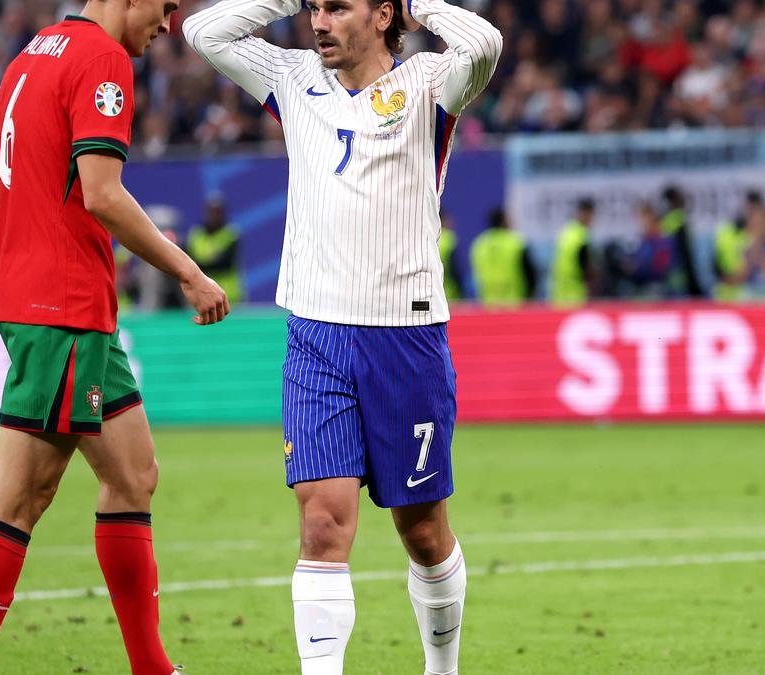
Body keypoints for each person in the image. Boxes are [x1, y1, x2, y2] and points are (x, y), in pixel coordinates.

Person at [185, 0, 501, 673]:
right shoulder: (292, 77)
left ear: (383, 15)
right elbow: (201, 31)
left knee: (423, 530)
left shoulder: (430, 83)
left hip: (406, 337)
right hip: (317, 334)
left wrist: (421, 5)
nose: (319, 22)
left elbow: (484, 45)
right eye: (314, 8)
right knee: (322, 522)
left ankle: (442, 668)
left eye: (337, 7)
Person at [0, 0, 229, 672]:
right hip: (60, 307)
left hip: (67, 309)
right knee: (19, 498)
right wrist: (188, 272)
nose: (169, 23)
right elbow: (102, 193)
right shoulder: (103, 59)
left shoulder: (30, 56)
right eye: (166, 6)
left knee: (134, 475)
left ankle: (153, 667)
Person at [469, 207, 536, 307]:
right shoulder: (516, 242)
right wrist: (529, 297)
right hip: (515, 302)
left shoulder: (480, 244)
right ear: (503, 221)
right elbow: (529, 274)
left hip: (488, 303)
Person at [187, 192, 243, 304]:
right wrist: (211, 260)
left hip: (229, 298)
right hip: (201, 297)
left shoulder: (231, 234)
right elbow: (189, 262)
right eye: (211, 211)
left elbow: (224, 264)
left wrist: (201, 264)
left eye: (218, 212)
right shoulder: (196, 235)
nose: (214, 215)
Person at [711, 191, 758, 302]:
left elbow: (751, 264)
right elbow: (715, 260)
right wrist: (726, 279)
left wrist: (737, 279)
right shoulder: (723, 232)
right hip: (724, 288)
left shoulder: (751, 235)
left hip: (745, 290)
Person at [659, 185, 704, 297]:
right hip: (678, 271)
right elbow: (684, 251)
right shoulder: (677, 219)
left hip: (672, 271)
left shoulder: (668, 220)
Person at [550, 198, 595, 307]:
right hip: (575, 292)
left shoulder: (566, 231)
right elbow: (585, 265)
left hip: (559, 291)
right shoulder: (582, 236)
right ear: (587, 213)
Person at [438, 210, 463, 302]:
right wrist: (461, 289)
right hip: (450, 292)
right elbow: (454, 268)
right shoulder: (449, 239)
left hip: (433, 291)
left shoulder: (427, 238)